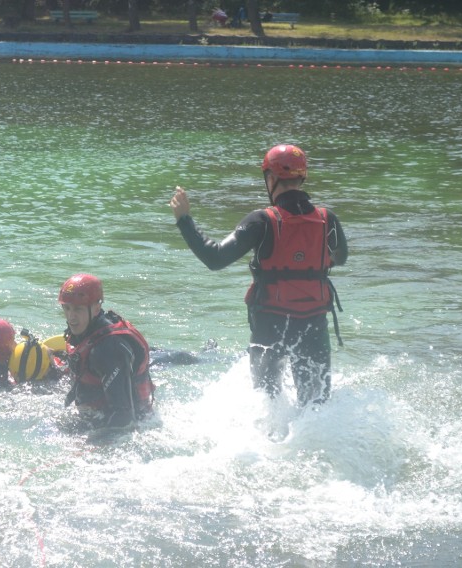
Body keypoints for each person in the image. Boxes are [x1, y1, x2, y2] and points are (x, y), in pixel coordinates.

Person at [169, 144, 348, 406]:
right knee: (316, 406)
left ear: (270, 178)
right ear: (302, 177)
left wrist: (184, 220)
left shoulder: (260, 221)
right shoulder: (327, 219)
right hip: (313, 325)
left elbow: (215, 258)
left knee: (267, 407)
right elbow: (340, 257)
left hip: (271, 325)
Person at [58, 274, 155, 431]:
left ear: (96, 308)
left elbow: (124, 418)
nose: (71, 317)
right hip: (94, 412)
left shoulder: (109, 350)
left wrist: (92, 445)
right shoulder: (82, 330)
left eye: (78, 309)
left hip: (125, 422)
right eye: (67, 308)